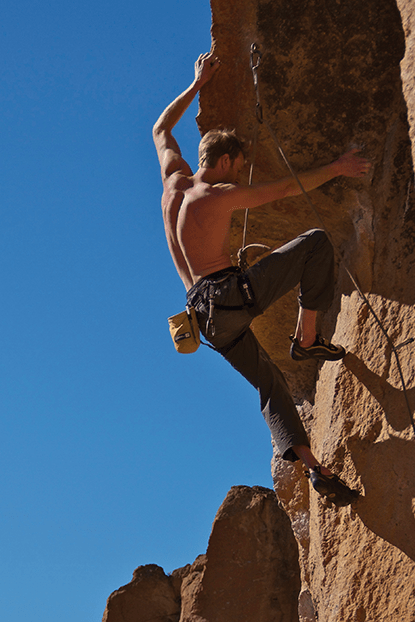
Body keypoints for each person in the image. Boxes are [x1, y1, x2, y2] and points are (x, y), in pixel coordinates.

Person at [153, 51, 371, 506]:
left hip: (204, 319)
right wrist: (337, 168)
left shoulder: (172, 185)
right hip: (228, 295)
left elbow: (161, 129)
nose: (239, 175)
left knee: (269, 382)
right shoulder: (216, 195)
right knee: (314, 243)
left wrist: (197, 84)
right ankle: (306, 339)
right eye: (238, 166)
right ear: (225, 160)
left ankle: (313, 469)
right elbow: (286, 189)